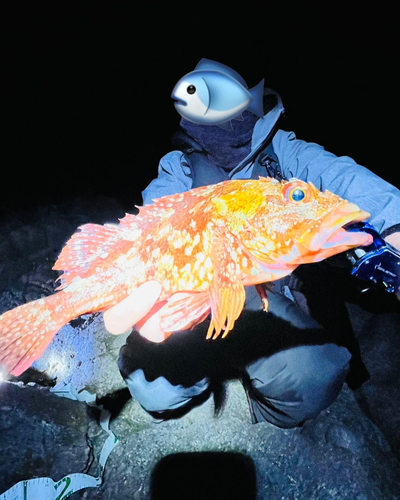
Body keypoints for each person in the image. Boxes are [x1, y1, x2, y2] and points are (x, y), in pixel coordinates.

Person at [104, 62, 400, 428]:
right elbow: (152, 223)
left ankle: (252, 385)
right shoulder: (179, 169)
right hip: (200, 295)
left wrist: (394, 224)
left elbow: (340, 175)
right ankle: (206, 358)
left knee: (315, 376)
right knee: (157, 392)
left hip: (263, 296)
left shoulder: (283, 154)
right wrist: (134, 293)